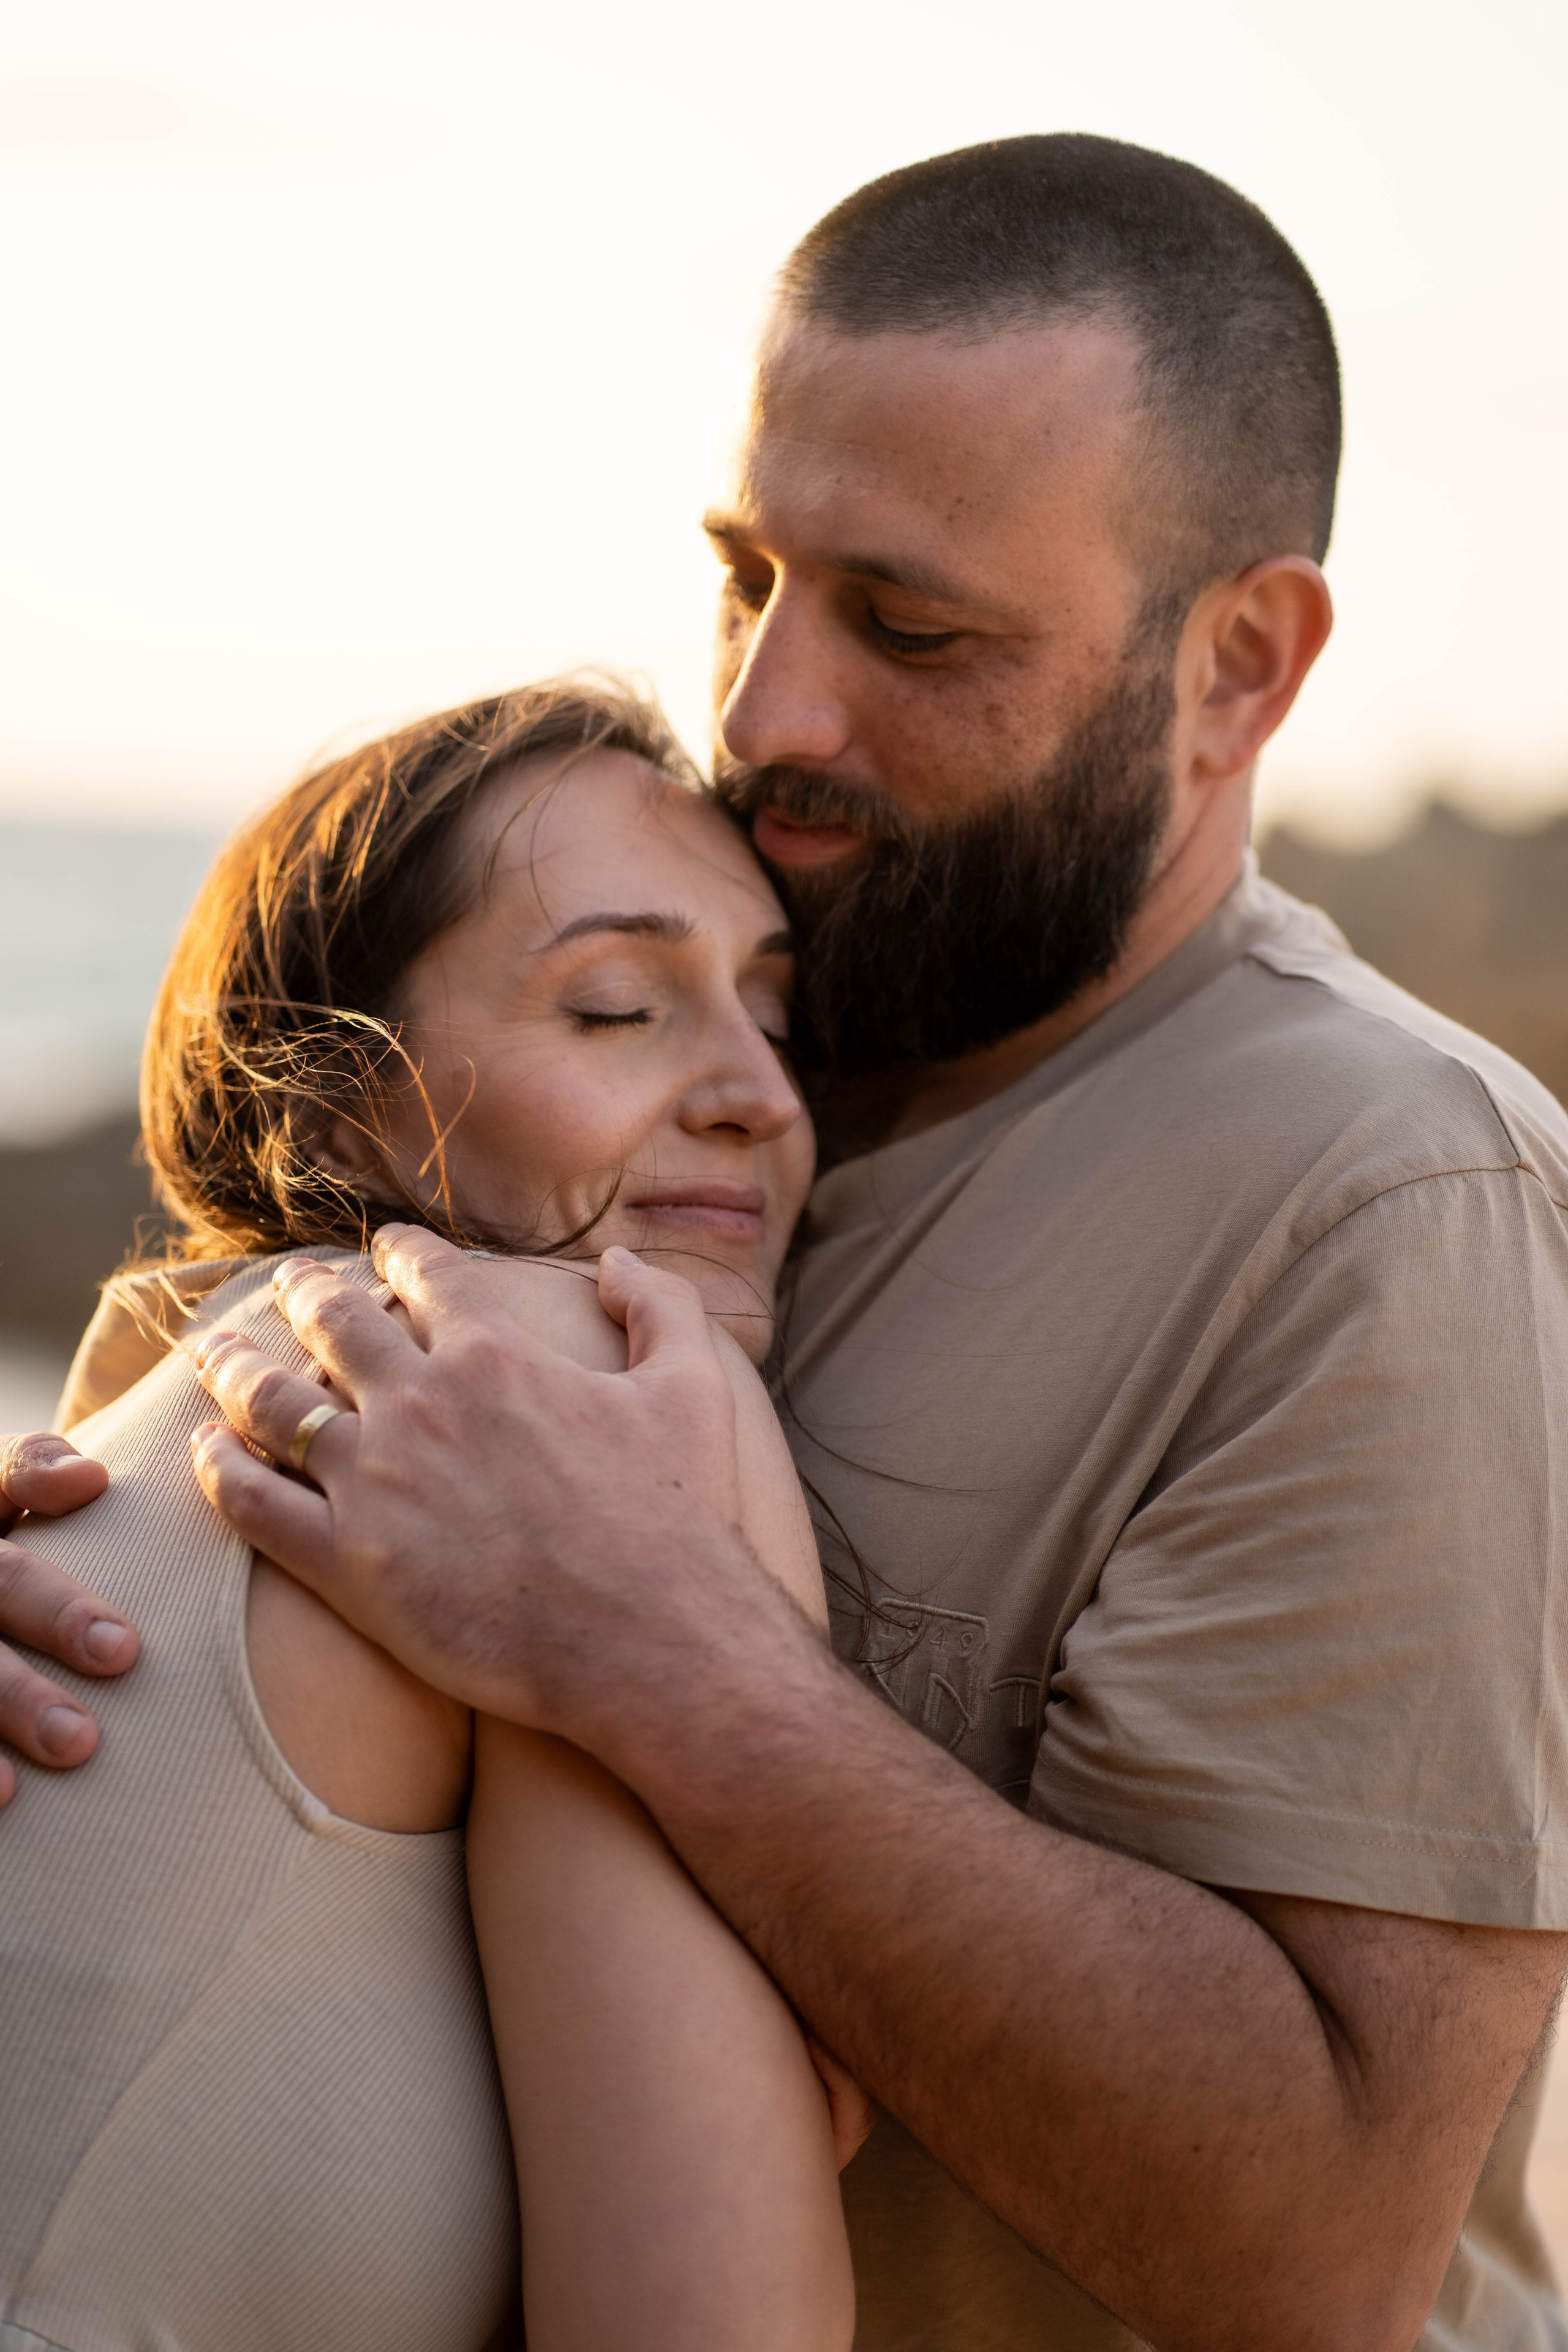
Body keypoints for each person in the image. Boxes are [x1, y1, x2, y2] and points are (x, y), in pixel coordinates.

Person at [6, 132, 1568, 2350]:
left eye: (909, 627)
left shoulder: (1393, 1201)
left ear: (1236, 668)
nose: (764, 716)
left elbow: (1316, 2249)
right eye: (752, 579)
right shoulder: (746, 1040)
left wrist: (658, 1651)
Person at [0, 679, 860, 2351]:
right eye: (617, 1007)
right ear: (324, 1105)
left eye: (781, 1019)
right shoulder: (561, 1370)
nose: (761, 1094)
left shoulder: (149, 1394)